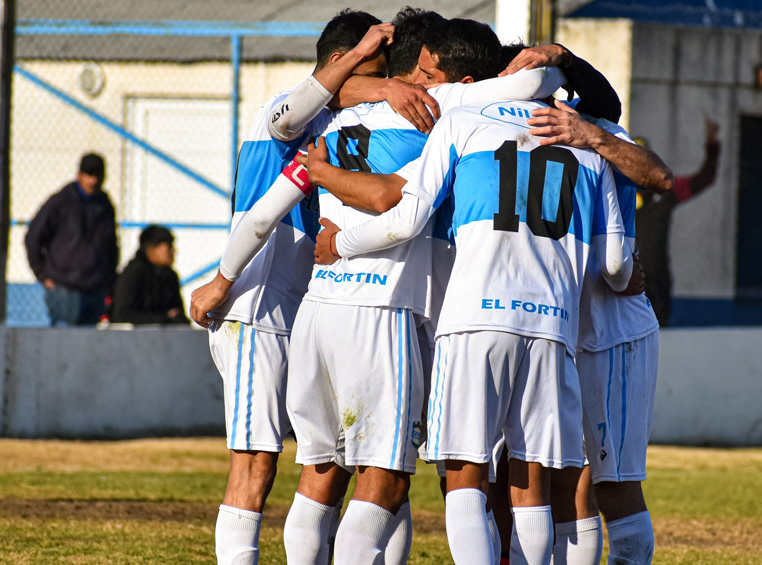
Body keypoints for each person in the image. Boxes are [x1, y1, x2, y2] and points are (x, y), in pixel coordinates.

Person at [314, 92, 632, 564]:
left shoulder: (463, 120)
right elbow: (616, 267)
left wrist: (341, 242)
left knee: (466, 477)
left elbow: (406, 220)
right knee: (530, 483)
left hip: (474, 321)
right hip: (552, 326)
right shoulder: (588, 146)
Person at [187, 11, 397, 565]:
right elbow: (260, 218)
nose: (375, 88)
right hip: (253, 307)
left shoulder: (339, 132)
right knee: (256, 462)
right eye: (369, 72)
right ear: (338, 62)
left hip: (309, 312)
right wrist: (219, 283)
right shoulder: (279, 115)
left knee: (336, 458)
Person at [526, 100, 673, 564]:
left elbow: (663, 179)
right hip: (559, 330)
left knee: (613, 485)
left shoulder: (605, 141)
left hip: (614, 335)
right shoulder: (521, 137)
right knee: (565, 480)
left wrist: (594, 136)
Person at [635, 117, 720, 326]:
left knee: (660, 341)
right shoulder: (612, 191)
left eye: (641, 161)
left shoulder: (665, 189)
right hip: (622, 283)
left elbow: (703, 179)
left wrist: (712, 145)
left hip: (657, 282)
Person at [25, 152, 118, 326]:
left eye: (97, 176)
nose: (93, 181)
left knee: (88, 344)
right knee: (63, 341)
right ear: (79, 175)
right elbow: (33, 237)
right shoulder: (60, 202)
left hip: (95, 289)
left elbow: (111, 245)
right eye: (89, 175)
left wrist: (108, 280)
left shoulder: (105, 205)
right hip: (63, 287)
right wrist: (43, 274)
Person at [109, 225, 187, 325]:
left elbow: (177, 311)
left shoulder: (170, 276)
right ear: (151, 250)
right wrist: (164, 319)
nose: (174, 251)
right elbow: (122, 315)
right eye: (168, 247)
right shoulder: (133, 273)